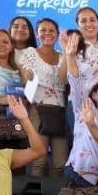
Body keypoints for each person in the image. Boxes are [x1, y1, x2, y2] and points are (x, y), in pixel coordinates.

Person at [16, 18, 68, 176]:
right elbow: (24, 79)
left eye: (52, 30)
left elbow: (65, 80)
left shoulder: (63, 55)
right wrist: (24, 74)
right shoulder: (29, 53)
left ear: (57, 34)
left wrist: (66, 52)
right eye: (43, 30)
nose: (47, 33)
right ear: (37, 34)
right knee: (39, 161)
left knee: (60, 163)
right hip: (37, 110)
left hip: (60, 112)